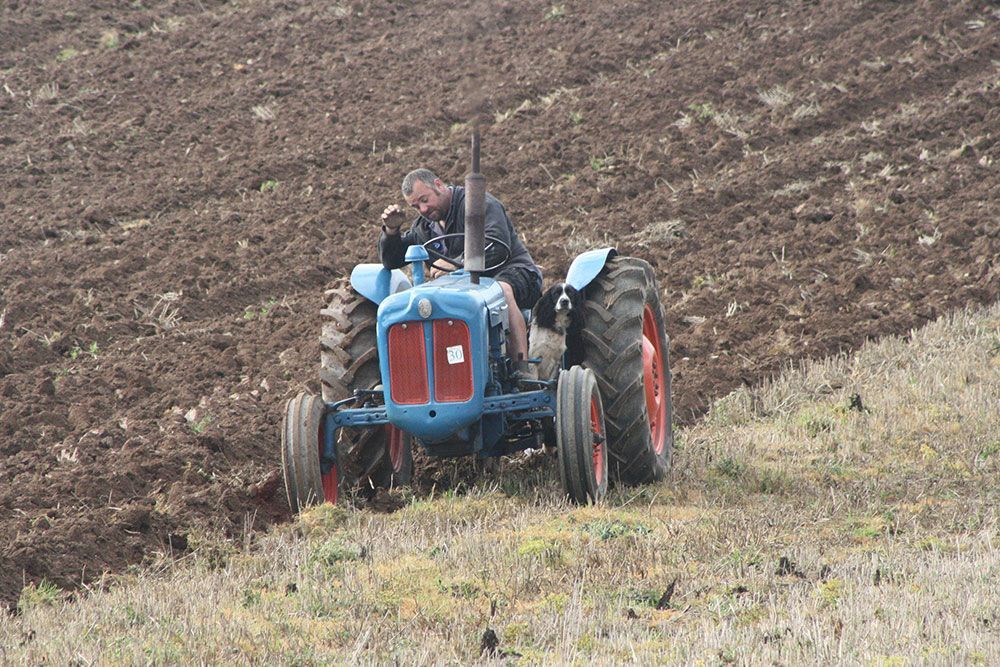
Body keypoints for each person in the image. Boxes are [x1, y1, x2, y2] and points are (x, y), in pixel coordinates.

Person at [379, 168, 542, 365]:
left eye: (424, 200)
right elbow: (393, 260)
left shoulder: (478, 204)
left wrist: (457, 262)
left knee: (503, 291)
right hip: (462, 291)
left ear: (438, 185)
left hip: (511, 271)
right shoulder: (424, 227)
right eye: (415, 206)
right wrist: (391, 230)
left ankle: (521, 366)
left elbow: (497, 244)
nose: (422, 209)